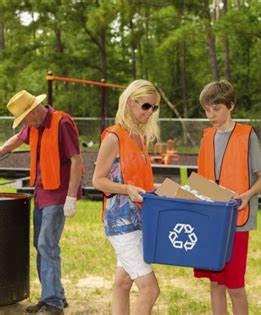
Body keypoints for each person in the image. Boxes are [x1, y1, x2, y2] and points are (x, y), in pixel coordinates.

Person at [0, 90, 83, 314]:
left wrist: (72, 197)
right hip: (41, 194)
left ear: (34, 110)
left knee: (47, 244)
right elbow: (17, 139)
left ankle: (53, 303)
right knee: (41, 244)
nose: (25, 124)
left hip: (59, 195)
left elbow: (77, 160)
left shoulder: (62, 123)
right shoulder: (34, 125)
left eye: (25, 118)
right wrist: (1, 151)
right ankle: (53, 294)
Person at [193, 80, 261, 315]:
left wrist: (246, 196)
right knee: (215, 283)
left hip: (237, 220)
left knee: (234, 286)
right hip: (210, 220)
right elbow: (201, 180)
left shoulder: (247, 136)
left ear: (231, 106)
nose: (211, 114)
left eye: (216, 108)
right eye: (207, 109)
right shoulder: (207, 136)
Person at [92, 79, 160, 314]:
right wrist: (127, 189)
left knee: (123, 283)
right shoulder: (114, 137)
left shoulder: (139, 138)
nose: (150, 112)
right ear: (131, 103)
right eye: (146, 106)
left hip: (139, 219)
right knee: (150, 289)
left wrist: (156, 189)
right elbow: (98, 180)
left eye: (154, 108)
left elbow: (136, 178)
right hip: (121, 223)